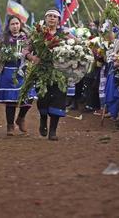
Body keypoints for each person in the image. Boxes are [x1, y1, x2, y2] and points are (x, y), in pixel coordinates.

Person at [26, 9, 67, 141]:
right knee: (43, 98)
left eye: (54, 17)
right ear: (45, 18)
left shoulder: (64, 34)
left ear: (58, 20)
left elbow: (76, 45)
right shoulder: (38, 34)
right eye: (49, 16)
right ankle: (43, 120)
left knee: (58, 98)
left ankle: (53, 131)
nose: (52, 19)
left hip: (59, 72)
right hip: (41, 71)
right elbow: (26, 49)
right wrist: (32, 58)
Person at [0, 16, 32, 135]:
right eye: (12, 24)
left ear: (20, 25)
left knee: (29, 97)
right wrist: (3, 55)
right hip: (8, 71)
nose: (15, 26)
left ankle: (21, 118)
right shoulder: (3, 38)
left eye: (17, 24)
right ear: (8, 26)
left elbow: (32, 52)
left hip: (24, 71)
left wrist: (27, 55)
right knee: (10, 100)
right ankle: (10, 126)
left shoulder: (28, 38)